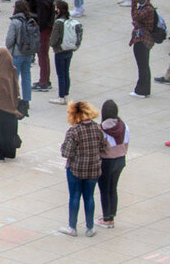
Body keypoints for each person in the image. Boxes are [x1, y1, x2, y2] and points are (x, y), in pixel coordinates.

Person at [59, 100, 107, 237]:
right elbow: (103, 147)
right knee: (89, 197)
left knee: (74, 197)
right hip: (93, 169)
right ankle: (90, 228)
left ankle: (72, 227)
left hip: (76, 169)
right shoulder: (97, 128)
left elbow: (66, 153)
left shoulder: (74, 131)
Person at [97, 99, 128, 229]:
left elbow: (100, 147)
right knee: (113, 188)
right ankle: (112, 216)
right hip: (120, 159)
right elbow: (126, 143)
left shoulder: (101, 128)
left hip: (106, 161)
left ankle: (106, 218)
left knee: (104, 189)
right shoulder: (124, 126)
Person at [0, 48, 23, 161]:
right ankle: (10, 152)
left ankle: (0, 153)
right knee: (10, 130)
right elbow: (16, 88)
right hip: (11, 107)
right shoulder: (12, 70)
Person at [6, 1, 35, 117]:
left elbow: (9, 40)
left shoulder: (15, 22)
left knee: (14, 78)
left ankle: (14, 99)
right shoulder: (31, 20)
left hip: (17, 54)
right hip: (28, 53)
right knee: (27, 76)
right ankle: (26, 100)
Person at [129, 0, 156, 98]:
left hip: (143, 39)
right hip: (141, 38)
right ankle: (144, 89)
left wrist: (133, 3)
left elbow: (136, 17)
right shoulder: (144, 7)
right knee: (143, 65)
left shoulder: (148, 9)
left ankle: (142, 90)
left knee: (143, 66)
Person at [49, 0, 75, 105]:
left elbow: (54, 38)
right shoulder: (69, 20)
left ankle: (61, 96)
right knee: (66, 72)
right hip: (69, 49)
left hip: (60, 50)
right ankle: (66, 94)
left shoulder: (58, 22)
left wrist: (51, 43)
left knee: (60, 74)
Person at [33, 0, 55, 92]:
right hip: (48, 29)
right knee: (45, 56)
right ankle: (46, 79)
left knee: (42, 56)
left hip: (43, 31)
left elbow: (42, 19)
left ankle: (43, 82)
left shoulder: (41, 0)